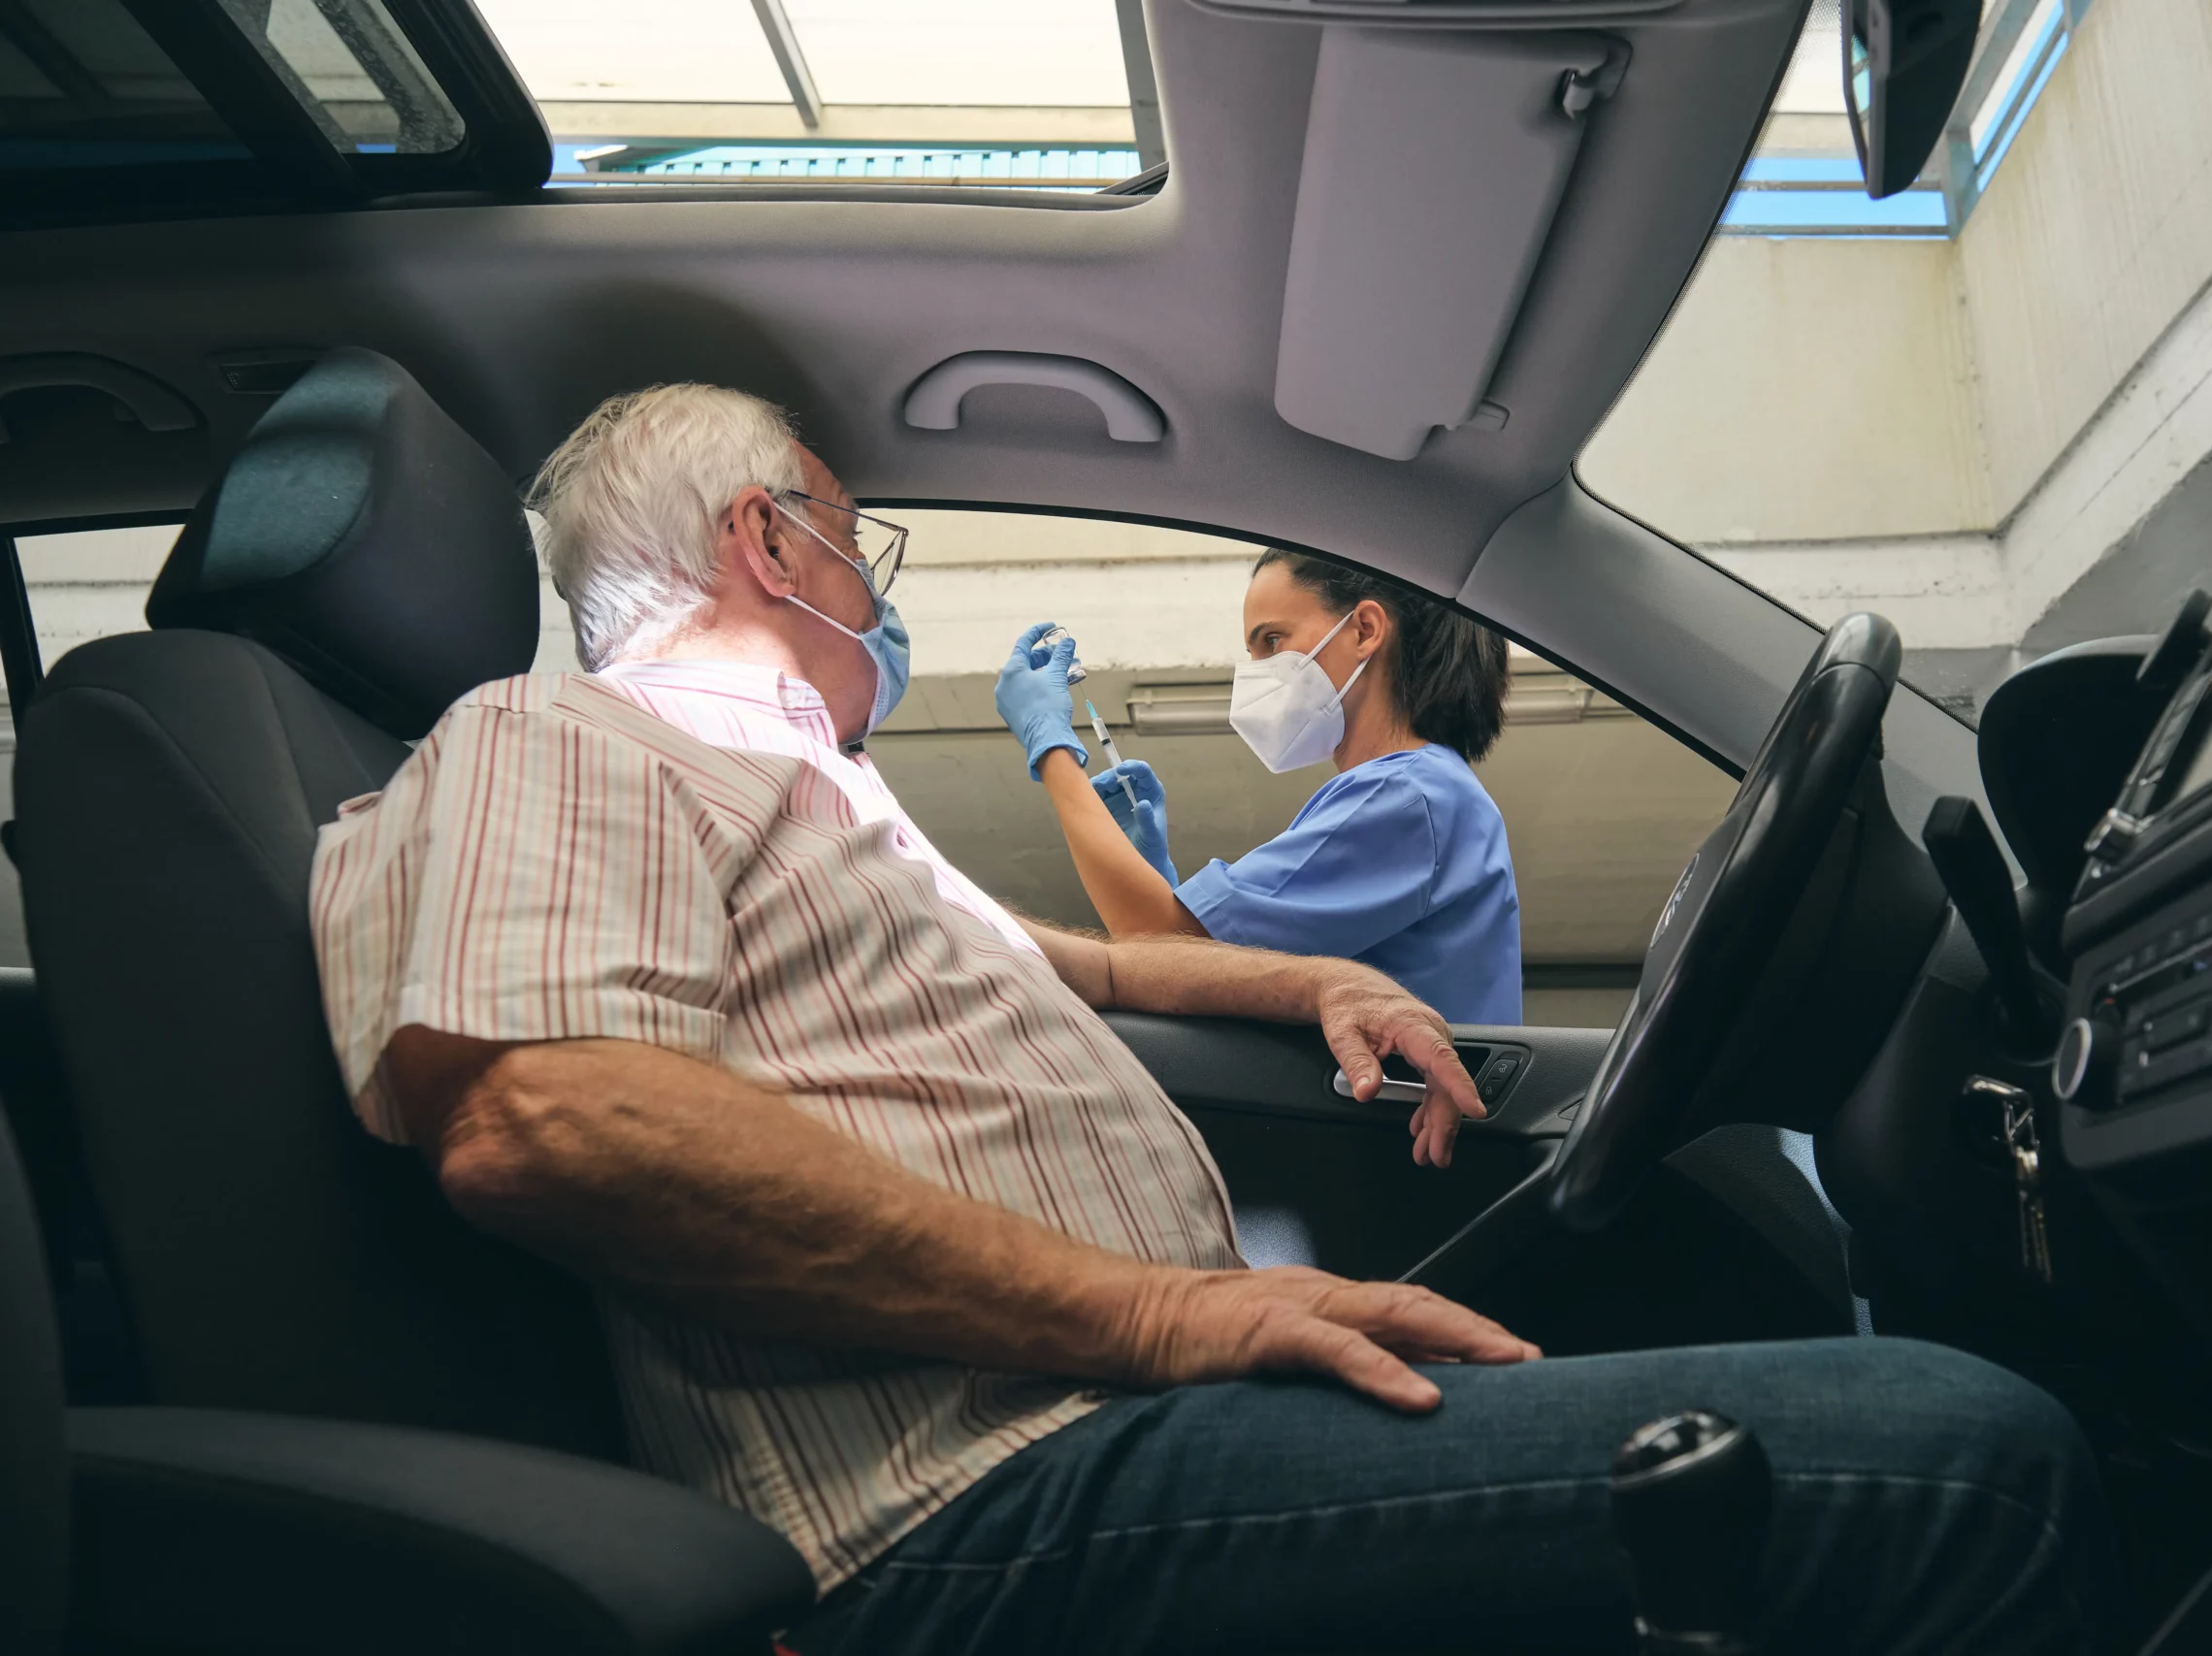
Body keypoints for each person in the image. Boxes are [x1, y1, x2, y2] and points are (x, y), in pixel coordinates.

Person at [309, 383, 2118, 1656]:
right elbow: (550, 1116)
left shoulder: (815, 796)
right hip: (982, 1505)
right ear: (770, 539)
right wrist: (1172, 1310)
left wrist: (1316, 977)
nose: (881, 581)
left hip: (1106, 1420)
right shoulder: (566, 739)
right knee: (1968, 1461)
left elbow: (1084, 962)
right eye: (864, 540)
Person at [996, 551, 1524, 1026]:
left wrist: (1052, 750)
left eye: (1272, 641)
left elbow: (1155, 949)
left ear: (1364, 629)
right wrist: (1155, 879)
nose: (1258, 674)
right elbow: (1179, 956)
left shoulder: (1408, 796)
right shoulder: (1428, 790)